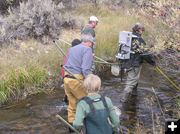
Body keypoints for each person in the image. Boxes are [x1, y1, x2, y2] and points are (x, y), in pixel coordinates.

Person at [63, 34, 94, 132]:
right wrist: (90, 81)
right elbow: (85, 69)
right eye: (92, 43)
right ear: (89, 42)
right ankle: (91, 127)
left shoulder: (72, 49)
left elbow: (67, 64)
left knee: (72, 105)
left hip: (67, 79)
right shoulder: (87, 49)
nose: (92, 45)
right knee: (88, 102)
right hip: (76, 80)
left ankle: (72, 129)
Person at [121, 22, 156, 102]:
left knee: (134, 78)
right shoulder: (139, 40)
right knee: (131, 82)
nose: (142, 32)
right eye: (142, 30)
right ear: (139, 30)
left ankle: (134, 94)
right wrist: (153, 63)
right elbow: (146, 54)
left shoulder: (128, 37)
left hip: (126, 63)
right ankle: (123, 100)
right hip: (134, 65)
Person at [61, 39, 82, 104]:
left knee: (69, 92)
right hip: (72, 77)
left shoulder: (68, 52)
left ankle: (66, 99)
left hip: (65, 75)